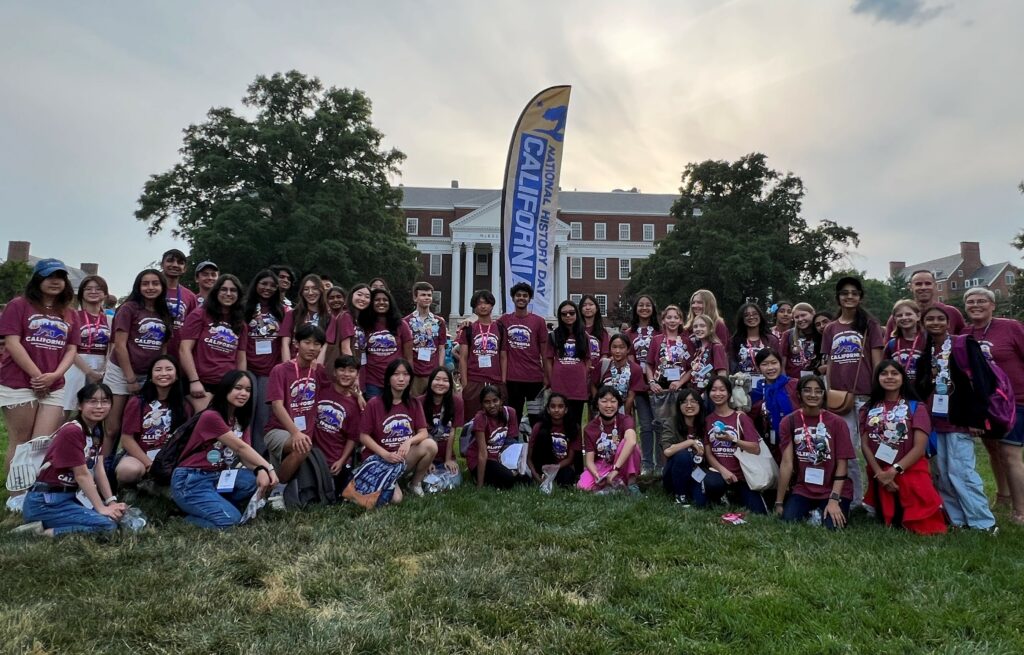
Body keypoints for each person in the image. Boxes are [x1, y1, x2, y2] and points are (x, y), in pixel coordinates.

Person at [1, 259, 81, 507]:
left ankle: (31, 492)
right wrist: (38, 375)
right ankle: (16, 496)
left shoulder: (69, 313)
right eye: (49, 276)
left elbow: (71, 349)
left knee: (41, 443)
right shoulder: (19, 305)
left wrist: (54, 376)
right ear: (38, 279)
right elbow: (13, 343)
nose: (55, 280)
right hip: (18, 383)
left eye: (60, 276)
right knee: (21, 441)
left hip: (54, 385)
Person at [916, 305, 998, 531]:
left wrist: (978, 417)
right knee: (942, 473)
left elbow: (983, 380)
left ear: (949, 321)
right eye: (929, 319)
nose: (935, 323)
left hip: (961, 419)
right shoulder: (927, 351)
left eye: (940, 319)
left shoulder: (964, 344)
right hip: (936, 420)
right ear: (923, 324)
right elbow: (922, 387)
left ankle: (982, 522)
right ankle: (958, 520)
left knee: (961, 471)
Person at [171, 370, 279, 529]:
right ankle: (184, 519)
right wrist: (267, 467)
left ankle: (214, 506)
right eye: (238, 388)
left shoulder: (240, 419)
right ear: (225, 389)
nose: (243, 393)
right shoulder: (211, 416)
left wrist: (260, 470)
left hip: (217, 476)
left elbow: (245, 455)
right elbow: (240, 448)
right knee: (230, 522)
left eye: (248, 390)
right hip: (191, 479)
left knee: (252, 481)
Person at [20, 383, 127, 536]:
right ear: (80, 405)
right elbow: (82, 475)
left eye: (105, 401)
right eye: (92, 401)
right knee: (107, 526)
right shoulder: (72, 431)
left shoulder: (96, 430)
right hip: (46, 502)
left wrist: (111, 501)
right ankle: (44, 532)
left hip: (70, 497)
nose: (99, 406)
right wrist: (101, 508)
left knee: (115, 517)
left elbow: (99, 468)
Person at [860, 360, 946, 534]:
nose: (889, 377)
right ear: (877, 378)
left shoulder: (916, 407)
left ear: (902, 378)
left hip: (910, 470)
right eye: (884, 373)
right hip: (880, 471)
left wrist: (893, 471)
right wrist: (880, 474)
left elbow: (919, 448)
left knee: (923, 527)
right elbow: (865, 444)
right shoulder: (867, 408)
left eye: (894, 373)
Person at [962, 286, 1024, 524]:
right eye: (971, 302)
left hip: (1014, 400)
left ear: (992, 305)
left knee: (1010, 453)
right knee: (994, 451)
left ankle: (1020, 511)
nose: (976, 305)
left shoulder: (1011, 328)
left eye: (981, 301)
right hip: (985, 405)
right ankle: (1003, 495)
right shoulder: (967, 334)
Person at [821, 275, 884, 507]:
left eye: (854, 293)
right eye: (845, 293)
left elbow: (878, 361)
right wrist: (829, 394)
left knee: (874, 448)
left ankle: (878, 499)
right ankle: (854, 498)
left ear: (860, 297)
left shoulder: (870, 325)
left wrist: (879, 392)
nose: (849, 297)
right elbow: (829, 365)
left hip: (866, 396)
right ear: (838, 297)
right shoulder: (830, 328)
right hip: (840, 398)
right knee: (846, 450)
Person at [774, 374, 854, 529]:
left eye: (818, 391)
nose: (813, 395)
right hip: (804, 488)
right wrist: (779, 502)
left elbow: (842, 464)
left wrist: (834, 499)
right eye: (807, 390)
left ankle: (836, 507)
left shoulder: (837, 422)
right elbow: (787, 463)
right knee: (788, 521)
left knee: (833, 527)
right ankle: (813, 510)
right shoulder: (789, 422)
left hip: (832, 489)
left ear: (824, 394)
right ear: (799, 394)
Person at [262, 324, 330, 484]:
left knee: (305, 444)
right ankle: (277, 487)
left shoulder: (318, 372)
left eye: (317, 344)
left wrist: (357, 394)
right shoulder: (280, 370)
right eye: (307, 342)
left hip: (305, 432)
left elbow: (335, 392)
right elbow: (277, 406)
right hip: (278, 430)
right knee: (303, 446)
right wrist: (296, 433)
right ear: (296, 343)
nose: (312, 348)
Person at [358, 359, 435, 500]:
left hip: (402, 457)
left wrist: (409, 442)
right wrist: (385, 454)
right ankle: (389, 481)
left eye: (405, 374)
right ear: (388, 379)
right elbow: (364, 436)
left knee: (430, 445)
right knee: (396, 499)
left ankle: (414, 484)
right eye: (396, 374)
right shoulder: (374, 403)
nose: (401, 378)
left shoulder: (414, 403)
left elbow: (423, 432)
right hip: (379, 458)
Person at [115, 355, 189, 486]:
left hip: (169, 457)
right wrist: (150, 465)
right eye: (158, 370)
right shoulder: (138, 402)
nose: (163, 373)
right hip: (141, 455)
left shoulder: (184, 405)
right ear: (150, 376)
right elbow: (127, 439)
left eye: (169, 369)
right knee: (127, 471)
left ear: (177, 375)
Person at [179, 274, 249, 410]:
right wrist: (194, 381)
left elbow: (241, 357)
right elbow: (184, 349)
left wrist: (242, 385)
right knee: (203, 421)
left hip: (228, 383)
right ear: (216, 291)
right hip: (201, 382)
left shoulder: (241, 324)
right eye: (223, 289)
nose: (228, 294)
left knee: (226, 424)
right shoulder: (199, 315)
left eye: (233, 290)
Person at [699, 375, 767, 513]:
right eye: (714, 390)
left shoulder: (741, 417)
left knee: (759, 512)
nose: (718, 394)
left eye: (722, 390)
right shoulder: (707, 420)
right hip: (718, 473)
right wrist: (723, 471)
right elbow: (709, 453)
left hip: (743, 476)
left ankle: (733, 495)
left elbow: (755, 448)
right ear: (708, 393)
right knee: (712, 485)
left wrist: (733, 440)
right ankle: (722, 495)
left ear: (729, 393)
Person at [243, 269, 288, 448]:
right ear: (256, 285)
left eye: (272, 285)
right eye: (263, 284)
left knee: (264, 415)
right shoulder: (244, 307)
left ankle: (260, 456)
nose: (267, 288)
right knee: (246, 413)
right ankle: (241, 453)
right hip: (248, 367)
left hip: (270, 370)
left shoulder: (282, 311)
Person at [498, 282, 548, 425]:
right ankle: (514, 445)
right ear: (513, 298)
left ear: (529, 298)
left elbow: (544, 352)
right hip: (512, 379)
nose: (521, 298)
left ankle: (535, 445)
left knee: (536, 417)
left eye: (525, 296)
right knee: (513, 417)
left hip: (534, 379)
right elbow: (486, 322)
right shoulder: (504, 320)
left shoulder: (539, 322)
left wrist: (546, 375)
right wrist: (468, 321)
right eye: (518, 295)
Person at [313, 354, 365, 495]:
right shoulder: (323, 388)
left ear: (357, 375)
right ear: (334, 372)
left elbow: (352, 438)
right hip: (314, 455)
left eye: (351, 370)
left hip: (336, 459)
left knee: (343, 495)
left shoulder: (356, 405)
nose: (346, 374)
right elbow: (314, 366)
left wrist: (341, 461)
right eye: (342, 370)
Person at [578, 386, 641, 492]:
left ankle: (631, 484)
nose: (609, 406)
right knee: (582, 486)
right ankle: (613, 484)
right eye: (604, 401)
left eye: (613, 401)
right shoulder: (590, 428)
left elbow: (632, 441)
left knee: (629, 444)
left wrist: (616, 469)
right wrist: (596, 475)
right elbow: (589, 461)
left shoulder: (626, 419)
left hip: (622, 463)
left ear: (618, 404)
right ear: (597, 404)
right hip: (603, 464)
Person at [64, 275, 111, 414]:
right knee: (67, 406)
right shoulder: (72, 316)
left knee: (94, 410)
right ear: (82, 293)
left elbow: (112, 347)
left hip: (102, 366)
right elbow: (68, 347)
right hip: (75, 363)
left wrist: (103, 369)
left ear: (105, 294)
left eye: (98, 288)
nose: (93, 291)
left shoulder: (110, 319)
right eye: (88, 288)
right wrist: (88, 371)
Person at [625, 294, 661, 473]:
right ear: (636, 309)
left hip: (658, 385)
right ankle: (647, 464)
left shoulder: (660, 331)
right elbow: (630, 361)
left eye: (648, 305)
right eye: (641, 305)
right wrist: (639, 381)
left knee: (659, 424)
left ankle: (661, 463)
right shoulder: (629, 333)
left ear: (653, 308)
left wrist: (654, 379)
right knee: (645, 425)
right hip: (639, 384)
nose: (644, 308)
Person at [459, 290, 507, 419]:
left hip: (495, 380)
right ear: (474, 308)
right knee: (473, 419)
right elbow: (463, 358)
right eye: (479, 303)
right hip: (474, 380)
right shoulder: (468, 329)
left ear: (492, 305)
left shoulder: (500, 328)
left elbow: (503, 356)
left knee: (496, 419)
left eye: (486, 303)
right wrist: (465, 384)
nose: (483, 306)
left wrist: (502, 380)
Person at [360, 288, 414, 399]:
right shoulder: (364, 325)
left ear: (390, 303)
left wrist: (409, 381)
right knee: (375, 414)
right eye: (377, 300)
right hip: (372, 381)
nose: (381, 302)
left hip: (396, 379)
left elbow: (409, 358)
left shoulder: (401, 325)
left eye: (385, 300)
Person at [469, 384, 526, 489]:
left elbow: (511, 442)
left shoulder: (510, 413)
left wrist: (513, 464)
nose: (492, 405)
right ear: (482, 404)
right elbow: (482, 453)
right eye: (487, 402)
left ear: (501, 400)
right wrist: (479, 485)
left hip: (501, 456)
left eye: (495, 400)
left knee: (526, 479)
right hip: (482, 460)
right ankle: (478, 477)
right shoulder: (480, 418)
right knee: (508, 480)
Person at [544, 300, 591, 427]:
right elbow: (548, 359)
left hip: (578, 387)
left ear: (577, 314)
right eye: (564, 314)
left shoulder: (584, 336)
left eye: (571, 313)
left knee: (575, 423)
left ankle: (575, 447)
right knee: (558, 422)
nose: (568, 316)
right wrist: (551, 379)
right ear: (560, 316)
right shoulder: (553, 336)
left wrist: (583, 376)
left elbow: (587, 359)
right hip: (559, 384)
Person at [751, 348, 799, 462]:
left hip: (796, 438)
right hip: (767, 442)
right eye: (765, 364)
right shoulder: (756, 392)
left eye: (774, 363)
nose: (770, 368)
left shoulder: (794, 385)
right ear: (758, 368)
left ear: (780, 364)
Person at [884, 269, 966, 336]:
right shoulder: (900, 317)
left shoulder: (952, 313)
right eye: (918, 284)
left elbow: (965, 343)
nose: (923, 287)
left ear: (935, 286)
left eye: (928, 283)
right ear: (910, 287)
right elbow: (887, 349)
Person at [661, 388, 707, 505]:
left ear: (700, 404)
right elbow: (667, 451)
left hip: (698, 471)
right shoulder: (671, 423)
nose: (689, 405)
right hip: (674, 473)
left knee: (700, 503)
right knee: (683, 455)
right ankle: (680, 494)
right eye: (684, 402)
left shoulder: (705, 424)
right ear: (679, 405)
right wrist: (690, 442)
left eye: (693, 401)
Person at [527, 392, 581, 488]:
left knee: (566, 481)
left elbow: (570, 459)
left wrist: (555, 468)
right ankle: (542, 477)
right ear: (548, 409)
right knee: (543, 434)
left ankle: (551, 479)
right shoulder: (538, 426)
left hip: (561, 466)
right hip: (542, 465)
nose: (556, 410)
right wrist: (535, 474)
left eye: (560, 407)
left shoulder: (574, 427)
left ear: (566, 410)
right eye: (553, 406)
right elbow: (529, 458)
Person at [405, 282, 448, 396]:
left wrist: (440, 370)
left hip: (433, 373)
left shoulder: (439, 322)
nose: (427, 298)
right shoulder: (406, 322)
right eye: (423, 295)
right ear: (415, 298)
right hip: (414, 372)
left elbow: (441, 348)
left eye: (429, 295)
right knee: (414, 405)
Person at [419, 366, 463, 475]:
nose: (441, 383)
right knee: (426, 479)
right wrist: (427, 461)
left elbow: (452, 431)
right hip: (424, 452)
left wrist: (448, 459)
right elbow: (418, 432)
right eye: (437, 379)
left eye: (445, 380)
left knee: (453, 481)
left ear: (450, 384)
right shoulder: (419, 402)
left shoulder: (457, 401)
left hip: (445, 453)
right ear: (430, 382)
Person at [729, 303, 780, 392]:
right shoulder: (734, 341)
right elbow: (732, 365)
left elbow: (779, 365)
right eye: (746, 315)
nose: (751, 317)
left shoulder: (771, 340)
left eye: (754, 314)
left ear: (760, 316)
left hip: (768, 385)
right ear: (742, 319)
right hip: (742, 387)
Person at [280, 274, 330, 363]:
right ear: (302, 292)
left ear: (321, 291)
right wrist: (287, 367)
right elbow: (285, 343)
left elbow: (326, 345)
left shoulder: (328, 317)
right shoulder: (292, 314)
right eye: (306, 289)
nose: (310, 293)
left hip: (317, 366)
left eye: (314, 288)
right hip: (294, 363)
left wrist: (317, 369)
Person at [595, 334, 645, 416]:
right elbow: (593, 384)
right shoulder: (603, 365)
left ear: (628, 349)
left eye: (622, 347)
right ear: (610, 349)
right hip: (603, 410)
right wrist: (598, 403)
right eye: (614, 347)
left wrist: (624, 416)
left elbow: (630, 396)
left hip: (623, 409)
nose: (617, 351)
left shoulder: (636, 369)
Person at [646, 304, 692, 394]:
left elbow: (692, 368)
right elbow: (648, 364)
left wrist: (680, 382)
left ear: (681, 321)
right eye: (669, 317)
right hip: (659, 388)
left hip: (681, 387)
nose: (672, 320)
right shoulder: (656, 340)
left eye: (676, 317)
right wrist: (652, 383)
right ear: (663, 320)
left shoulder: (686, 341)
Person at [160, 249, 198, 354]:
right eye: (170, 261)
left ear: (184, 269)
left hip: (178, 354)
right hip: (151, 352)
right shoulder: (152, 291)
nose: (175, 265)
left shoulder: (190, 296)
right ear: (162, 264)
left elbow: (194, 328)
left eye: (180, 263)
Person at [334, 283, 372, 374]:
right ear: (351, 295)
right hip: (350, 368)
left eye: (367, 296)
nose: (362, 299)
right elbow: (345, 348)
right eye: (359, 294)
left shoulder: (360, 320)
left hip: (360, 365)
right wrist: (352, 373)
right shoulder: (346, 316)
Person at [883, 299, 925, 383]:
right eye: (899, 315)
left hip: (922, 391)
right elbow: (884, 369)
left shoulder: (927, 341)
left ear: (918, 316)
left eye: (908, 314)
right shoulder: (891, 344)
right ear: (894, 319)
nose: (904, 317)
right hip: (899, 390)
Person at [780, 302, 824, 379]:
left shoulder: (821, 333)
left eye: (803, 315)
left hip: (816, 382)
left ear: (813, 314)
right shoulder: (788, 335)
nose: (800, 319)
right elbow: (782, 364)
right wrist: (785, 382)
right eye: (796, 317)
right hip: (793, 382)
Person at [688, 314, 728, 391]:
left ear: (711, 329)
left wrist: (713, 392)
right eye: (695, 326)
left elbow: (722, 374)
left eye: (702, 326)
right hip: (695, 392)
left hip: (709, 394)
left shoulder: (716, 347)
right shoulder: (697, 350)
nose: (698, 329)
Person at [579, 294, 610, 360]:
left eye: (591, 304)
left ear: (597, 308)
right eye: (584, 305)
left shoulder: (603, 332)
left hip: (596, 368)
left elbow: (604, 355)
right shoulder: (575, 330)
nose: (587, 308)